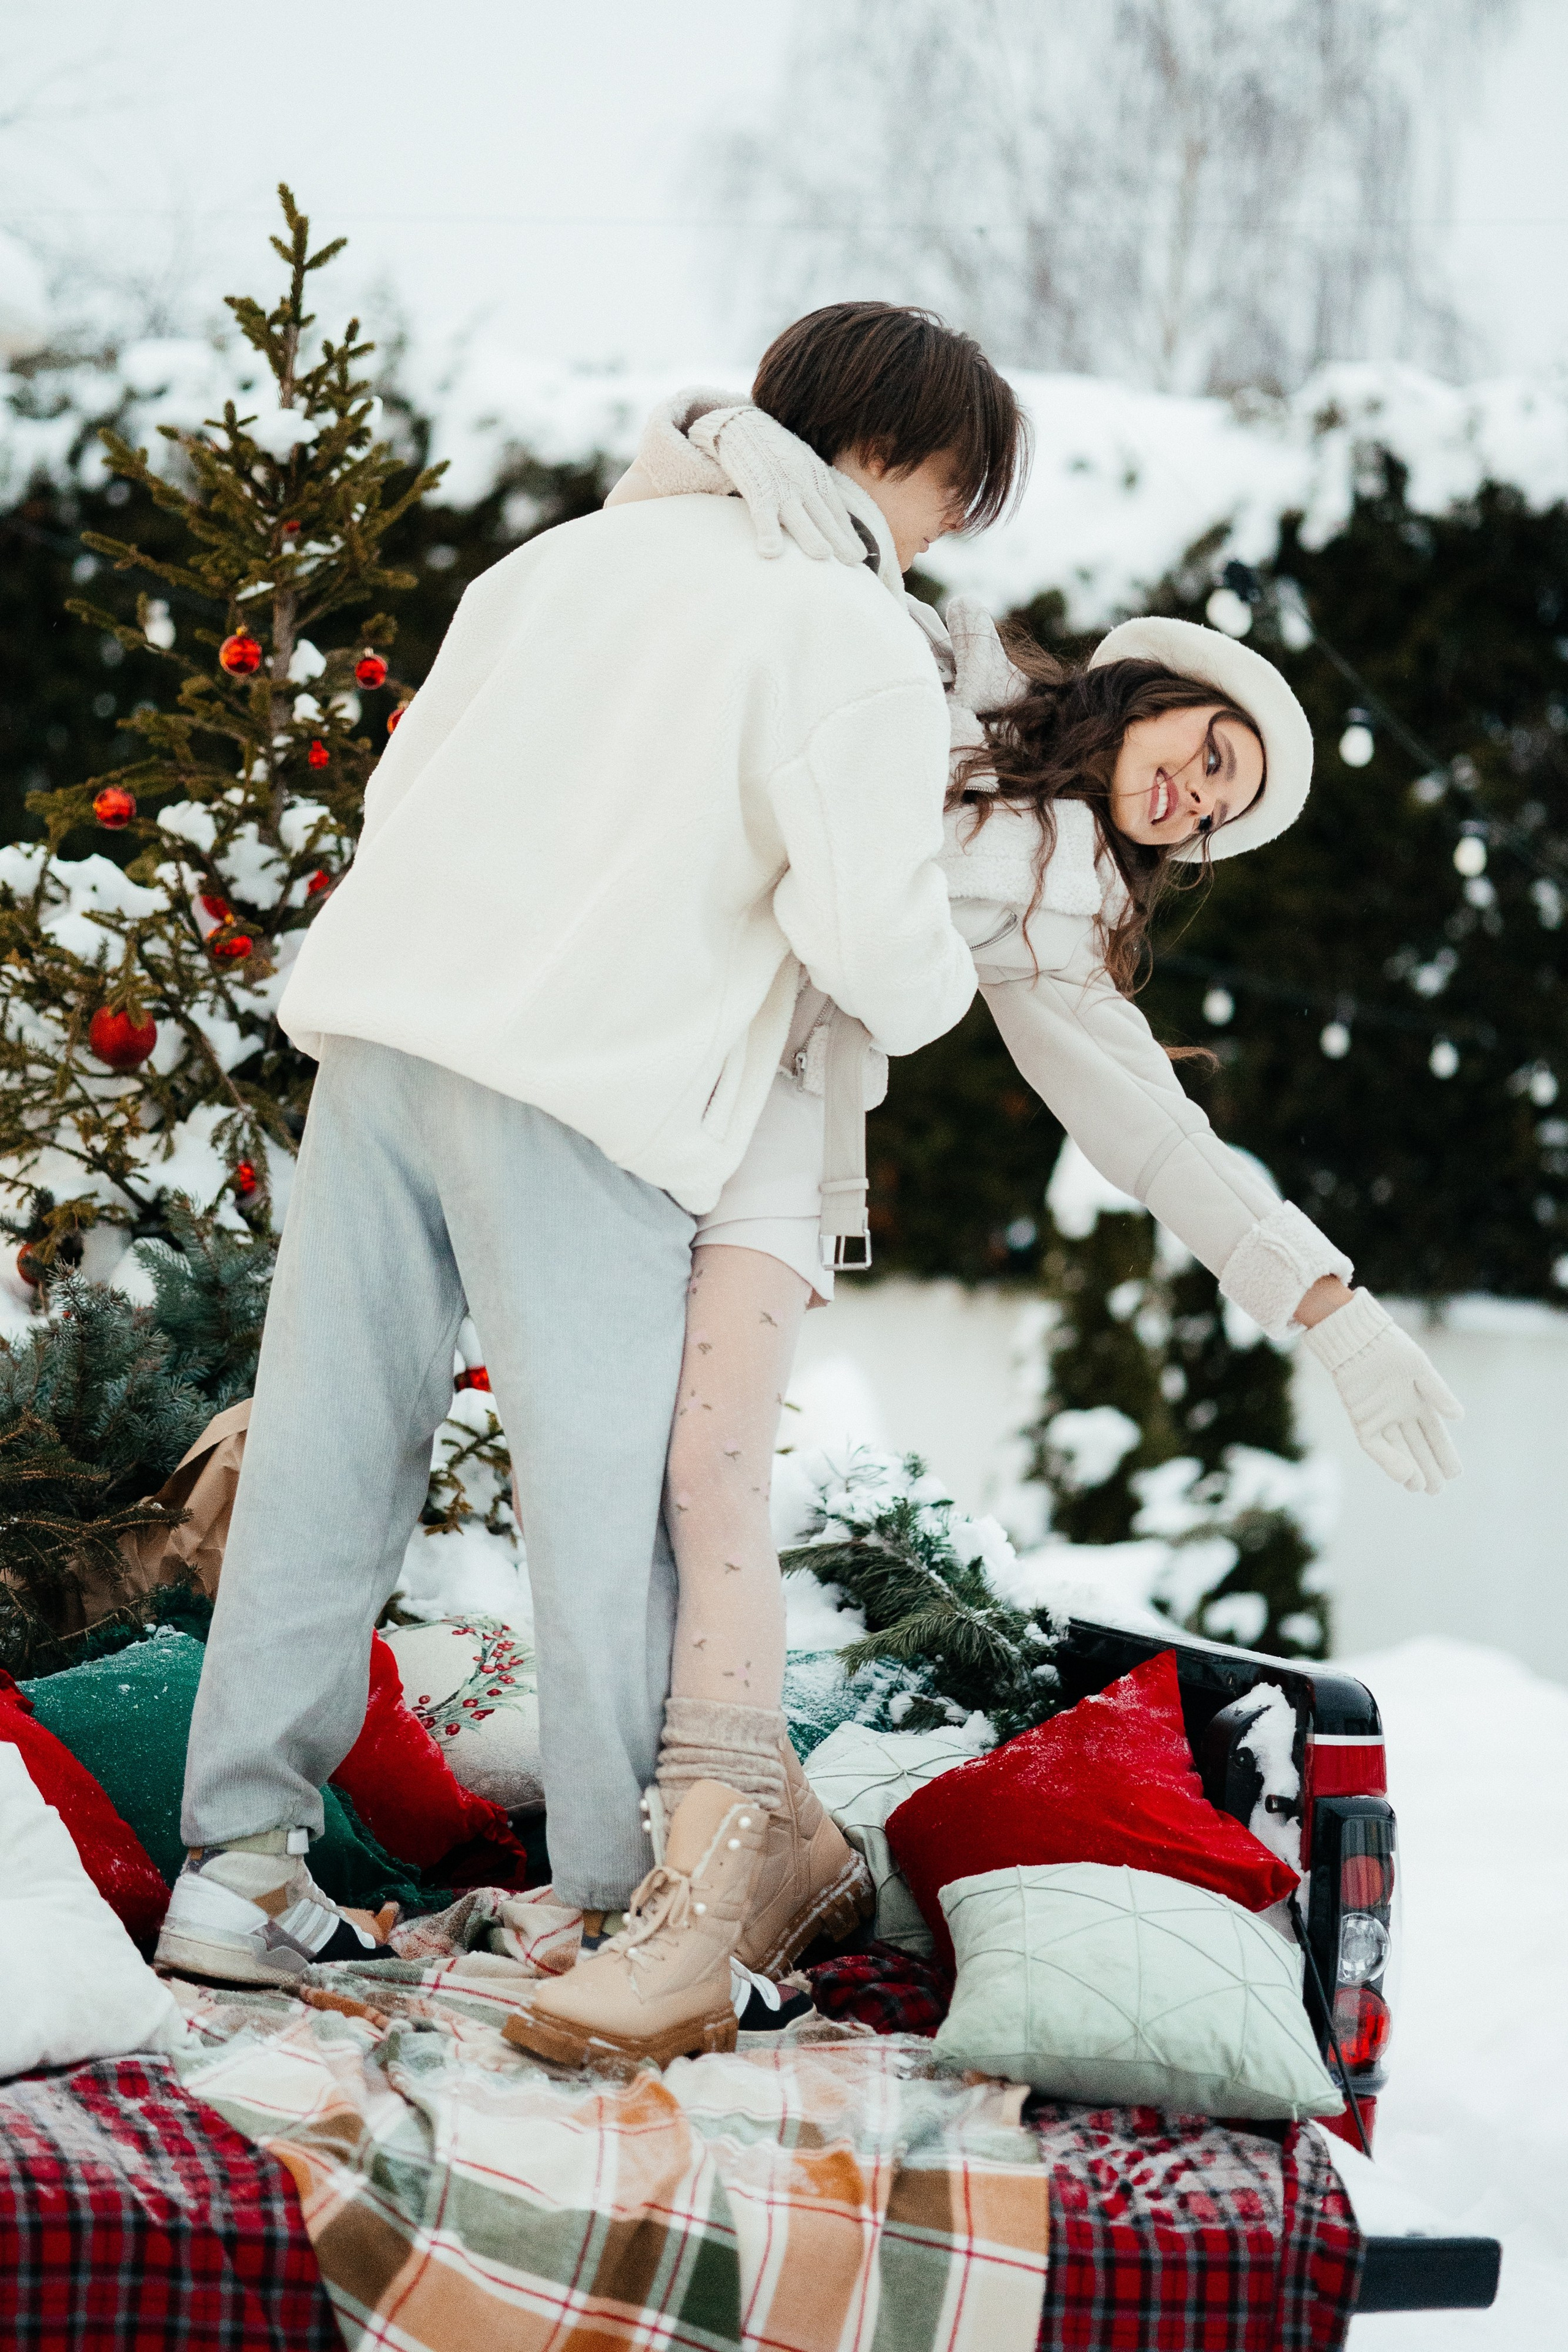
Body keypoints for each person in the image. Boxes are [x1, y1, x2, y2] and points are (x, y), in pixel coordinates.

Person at [505, 400, 1461, 2071]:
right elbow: (706, 585)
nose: (1191, 797)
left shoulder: (1055, 907)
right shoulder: (932, 653)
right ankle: (779, 1842)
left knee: (701, 1477)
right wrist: (718, 429)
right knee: (582, 1458)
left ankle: (677, 1877)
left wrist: (1336, 1306)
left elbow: (1160, 1137)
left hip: (770, 1129)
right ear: (1159, 687)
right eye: (1207, 751)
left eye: (1214, 814)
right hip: (630, 1052)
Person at [156, 304, 1029, 1992]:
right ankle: (622, 1907)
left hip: (388, 1044)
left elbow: (400, 799)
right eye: (956, 495)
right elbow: (874, 943)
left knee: (328, 1460)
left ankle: (238, 1873)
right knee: (611, 1508)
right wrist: (952, 972)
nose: (946, 537)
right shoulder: (839, 621)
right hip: (585, 1090)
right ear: (895, 455)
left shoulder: (552, 567)